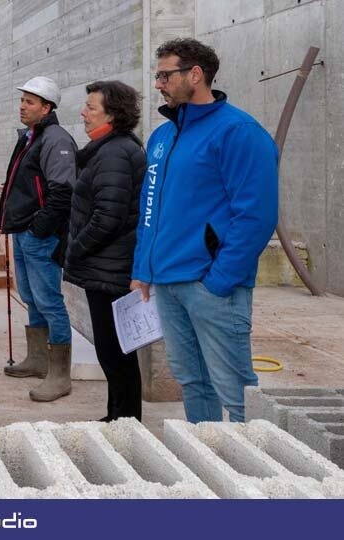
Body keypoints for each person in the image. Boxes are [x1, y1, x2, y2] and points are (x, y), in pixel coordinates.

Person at [130, 38, 279, 423]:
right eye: (157, 75)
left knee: (236, 388)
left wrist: (221, 279)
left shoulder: (239, 132)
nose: (159, 84)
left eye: (166, 75)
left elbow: (257, 216)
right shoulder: (162, 138)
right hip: (167, 283)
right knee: (193, 382)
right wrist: (143, 270)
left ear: (195, 75)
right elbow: (150, 209)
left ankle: (259, 476)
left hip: (211, 286)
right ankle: (209, 461)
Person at [63, 81, 147, 421]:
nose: (83, 112)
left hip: (110, 269)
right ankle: (118, 418)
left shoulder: (115, 153)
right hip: (107, 266)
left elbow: (107, 217)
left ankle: (125, 422)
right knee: (114, 352)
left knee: (116, 353)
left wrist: (75, 250)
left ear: (113, 114)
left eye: (91, 107)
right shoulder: (110, 149)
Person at [0, 76, 76, 402]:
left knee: (49, 300)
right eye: (22, 100)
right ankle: (39, 360)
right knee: (30, 294)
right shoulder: (30, 137)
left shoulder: (56, 140)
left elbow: (63, 192)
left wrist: (39, 227)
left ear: (47, 107)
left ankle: (59, 375)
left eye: (30, 102)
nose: (22, 106)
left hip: (39, 236)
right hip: (24, 232)